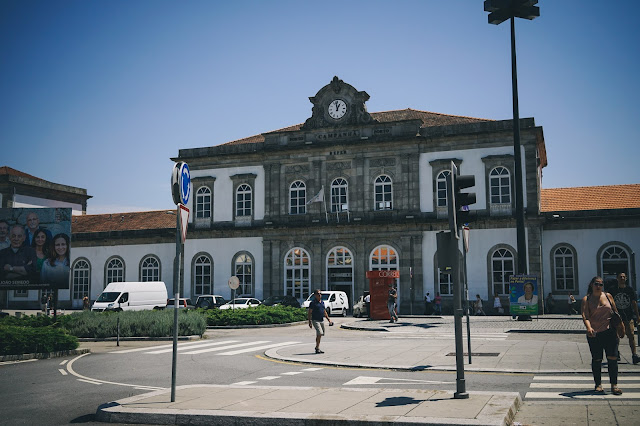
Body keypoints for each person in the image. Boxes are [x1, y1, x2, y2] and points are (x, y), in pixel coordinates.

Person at [581, 276, 622, 395]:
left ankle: (614, 385)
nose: (598, 286)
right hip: (595, 334)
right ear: (592, 285)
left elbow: (615, 312)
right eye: (596, 284)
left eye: (600, 284)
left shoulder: (608, 296)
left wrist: (621, 326)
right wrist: (589, 328)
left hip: (610, 332)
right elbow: (585, 316)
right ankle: (598, 384)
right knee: (597, 359)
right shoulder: (586, 299)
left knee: (612, 358)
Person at [610, 272, 640, 365]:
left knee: (631, 335)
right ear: (617, 278)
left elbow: (634, 303)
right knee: (616, 336)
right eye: (620, 277)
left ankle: (634, 355)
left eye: (624, 277)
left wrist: (637, 315)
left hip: (628, 315)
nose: (622, 278)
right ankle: (616, 352)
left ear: (626, 278)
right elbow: (610, 302)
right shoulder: (613, 290)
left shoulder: (629, 289)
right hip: (617, 317)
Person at [307, 289, 333, 354]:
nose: (319, 295)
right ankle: (317, 348)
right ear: (315, 295)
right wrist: (309, 322)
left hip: (321, 320)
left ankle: (317, 347)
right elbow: (310, 312)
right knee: (320, 333)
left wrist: (328, 319)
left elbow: (324, 311)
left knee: (321, 334)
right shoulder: (313, 303)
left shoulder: (322, 302)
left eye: (320, 294)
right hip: (315, 320)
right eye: (318, 294)